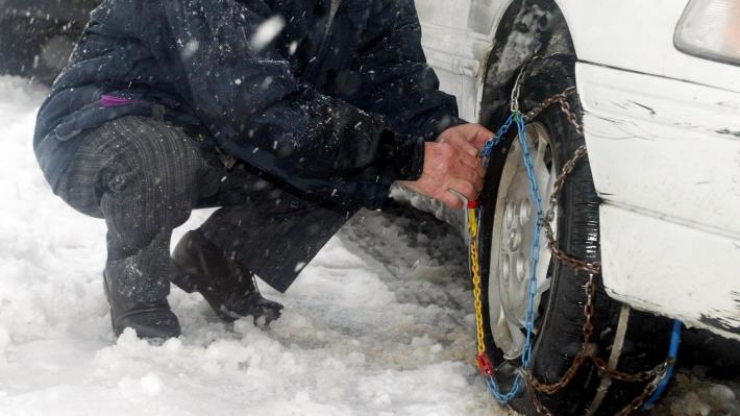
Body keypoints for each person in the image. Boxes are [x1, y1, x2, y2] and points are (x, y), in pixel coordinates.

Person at [34, 0, 494, 340]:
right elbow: (253, 108)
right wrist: (407, 158)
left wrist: (439, 131)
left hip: (221, 136)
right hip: (105, 126)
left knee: (353, 154)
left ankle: (219, 257)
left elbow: (391, 80)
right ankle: (137, 295)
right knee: (160, 156)